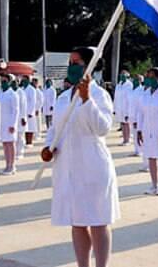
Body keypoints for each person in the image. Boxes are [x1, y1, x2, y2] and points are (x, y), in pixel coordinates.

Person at [40, 47, 118, 267]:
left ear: (89, 67)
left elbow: (102, 128)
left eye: (76, 62)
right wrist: (48, 147)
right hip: (67, 167)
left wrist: (87, 101)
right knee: (77, 221)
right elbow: (56, 129)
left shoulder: (100, 95)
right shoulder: (64, 97)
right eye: (70, 62)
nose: (71, 67)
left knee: (98, 221)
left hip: (93, 166)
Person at [137, 67, 158, 195]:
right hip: (147, 129)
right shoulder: (145, 93)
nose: (149, 79)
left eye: (152, 77)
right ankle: (154, 185)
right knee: (151, 157)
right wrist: (139, 130)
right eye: (148, 76)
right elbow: (140, 113)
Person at [0, 74, 19, 175]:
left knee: (11, 144)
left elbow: (16, 111)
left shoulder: (13, 94)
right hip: (2, 123)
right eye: (1, 81)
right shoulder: (0, 94)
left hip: (10, 123)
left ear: (10, 82)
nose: (3, 83)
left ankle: (12, 165)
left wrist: (13, 124)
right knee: (5, 144)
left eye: (5, 81)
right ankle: (7, 164)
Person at [114, 71, 132, 146]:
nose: (122, 76)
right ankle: (124, 139)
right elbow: (116, 97)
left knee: (126, 123)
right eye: (121, 75)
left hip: (126, 107)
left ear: (127, 76)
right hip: (119, 107)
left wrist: (129, 110)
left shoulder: (129, 85)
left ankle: (127, 140)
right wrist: (114, 108)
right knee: (122, 123)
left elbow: (129, 98)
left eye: (123, 75)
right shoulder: (119, 84)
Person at [13, 77, 28, 159]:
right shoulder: (11, 92)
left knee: (20, 136)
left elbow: (24, 106)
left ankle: (20, 152)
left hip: (20, 117)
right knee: (14, 136)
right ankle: (14, 152)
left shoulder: (21, 92)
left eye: (15, 82)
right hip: (13, 118)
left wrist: (23, 118)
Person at [22, 76, 38, 149]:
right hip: (23, 111)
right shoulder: (22, 89)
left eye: (25, 80)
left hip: (29, 112)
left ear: (28, 81)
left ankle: (29, 142)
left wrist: (31, 112)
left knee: (30, 128)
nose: (23, 81)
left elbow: (33, 101)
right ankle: (26, 141)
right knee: (25, 128)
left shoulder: (32, 89)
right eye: (23, 80)